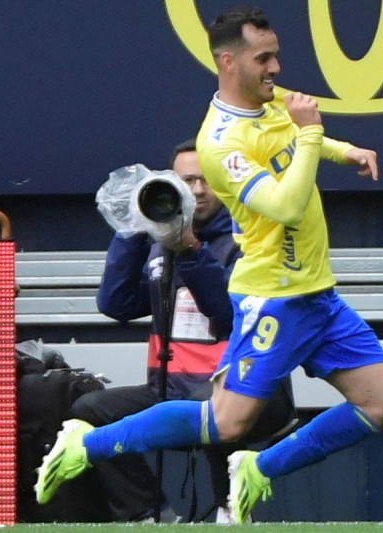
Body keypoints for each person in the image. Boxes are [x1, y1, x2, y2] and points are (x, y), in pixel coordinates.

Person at [36, 7, 383, 524]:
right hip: (274, 296)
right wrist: (312, 133)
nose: (276, 67)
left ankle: (258, 469)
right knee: (226, 422)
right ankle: (87, 444)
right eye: (264, 58)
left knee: (382, 402)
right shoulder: (220, 142)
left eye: (276, 55)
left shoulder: (268, 104)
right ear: (229, 62)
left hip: (316, 293)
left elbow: (291, 141)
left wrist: (344, 151)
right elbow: (285, 205)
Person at [52, 140, 296, 523]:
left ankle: (230, 512)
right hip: (170, 389)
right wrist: (133, 230)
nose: (198, 190)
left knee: (213, 408)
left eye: (208, 179)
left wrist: (190, 249)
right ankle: (149, 516)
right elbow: (116, 304)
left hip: (250, 390)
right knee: (91, 411)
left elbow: (228, 315)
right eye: (188, 181)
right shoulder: (159, 242)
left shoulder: (250, 238)